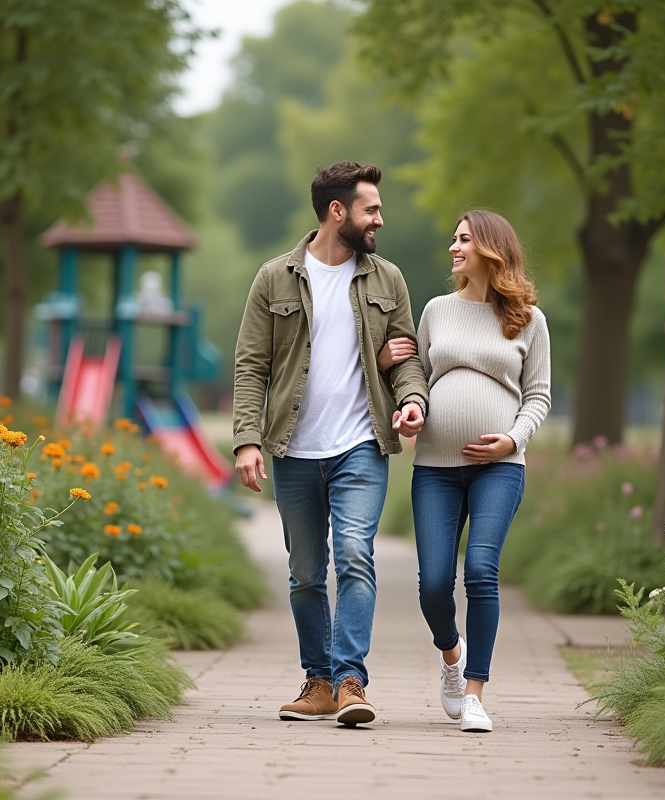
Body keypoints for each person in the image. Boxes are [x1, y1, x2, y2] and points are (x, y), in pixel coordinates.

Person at [233, 161, 429, 726]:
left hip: (361, 445)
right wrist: (247, 440)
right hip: (293, 448)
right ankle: (317, 682)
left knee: (354, 557)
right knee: (305, 573)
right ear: (336, 211)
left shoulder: (387, 279)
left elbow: (405, 356)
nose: (380, 220)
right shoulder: (274, 278)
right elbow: (251, 366)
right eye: (371, 209)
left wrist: (412, 400)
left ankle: (350, 680)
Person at [382, 209, 551, 733]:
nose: (453, 248)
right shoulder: (436, 310)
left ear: (490, 248)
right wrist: (412, 406)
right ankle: (452, 654)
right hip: (434, 465)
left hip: (499, 468)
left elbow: (538, 395)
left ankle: (475, 692)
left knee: (480, 570)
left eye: (462, 240)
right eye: (454, 239)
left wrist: (512, 440)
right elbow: (420, 377)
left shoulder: (528, 319)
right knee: (434, 583)